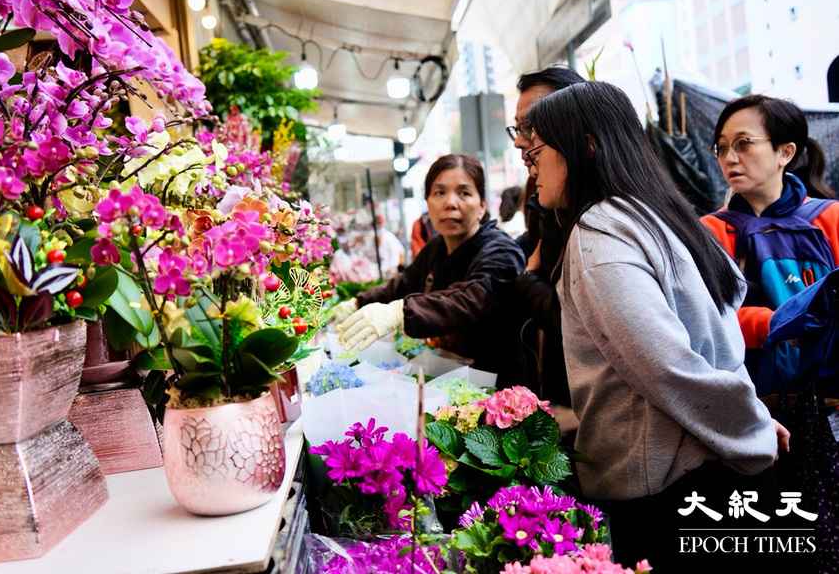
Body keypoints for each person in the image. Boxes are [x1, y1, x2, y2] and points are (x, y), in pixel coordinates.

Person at [525, 81, 785, 569]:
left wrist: (749, 427)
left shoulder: (601, 230)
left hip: (667, 487)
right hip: (706, 468)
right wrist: (749, 419)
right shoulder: (657, 214)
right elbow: (715, 341)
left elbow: (663, 365)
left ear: (584, 147)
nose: (532, 166)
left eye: (537, 151)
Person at [332, 154, 525, 380]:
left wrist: (399, 313)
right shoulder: (437, 248)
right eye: (439, 193)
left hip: (498, 385)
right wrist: (358, 302)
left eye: (464, 193)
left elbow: (470, 298)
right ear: (427, 203)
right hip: (451, 376)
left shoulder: (501, 251)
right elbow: (404, 284)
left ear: (482, 205)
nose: (450, 203)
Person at [701, 94, 839, 393]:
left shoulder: (831, 218)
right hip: (754, 402)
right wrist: (775, 323)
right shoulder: (710, 231)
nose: (729, 158)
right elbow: (706, 320)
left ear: (785, 152)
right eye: (722, 148)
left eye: (743, 143)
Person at [508, 66, 585, 408]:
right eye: (518, 128)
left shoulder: (599, 226)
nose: (521, 142)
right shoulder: (551, 210)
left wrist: (527, 280)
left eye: (531, 127)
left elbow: (574, 320)